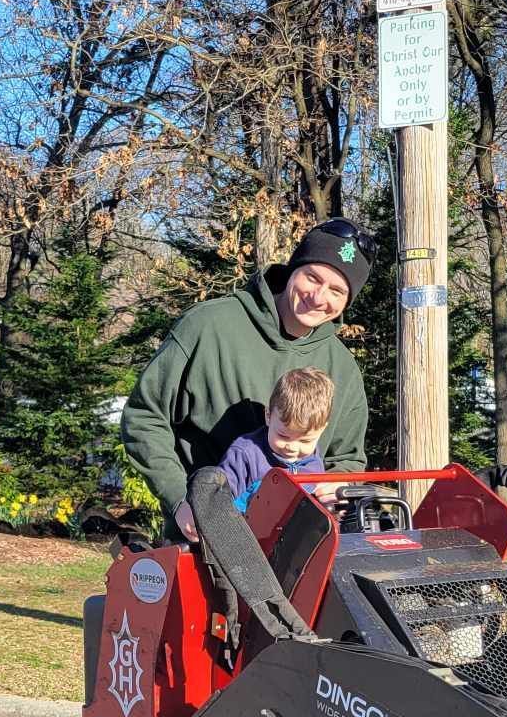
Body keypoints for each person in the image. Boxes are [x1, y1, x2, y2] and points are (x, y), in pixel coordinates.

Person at [120, 219, 371, 541]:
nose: (319, 297)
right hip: (203, 541)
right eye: (312, 277)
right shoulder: (208, 326)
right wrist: (179, 499)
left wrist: (335, 486)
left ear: (347, 302)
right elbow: (144, 417)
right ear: (293, 269)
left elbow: (347, 459)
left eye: (337, 290)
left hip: (298, 550)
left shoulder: (343, 367)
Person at [218, 367, 334, 511]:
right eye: (283, 435)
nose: (292, 447)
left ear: (322, 429)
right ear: (268, 416)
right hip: (248, 529)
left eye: (305, 441)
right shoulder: (245, 453)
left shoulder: (314, 461)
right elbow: (219, 498)